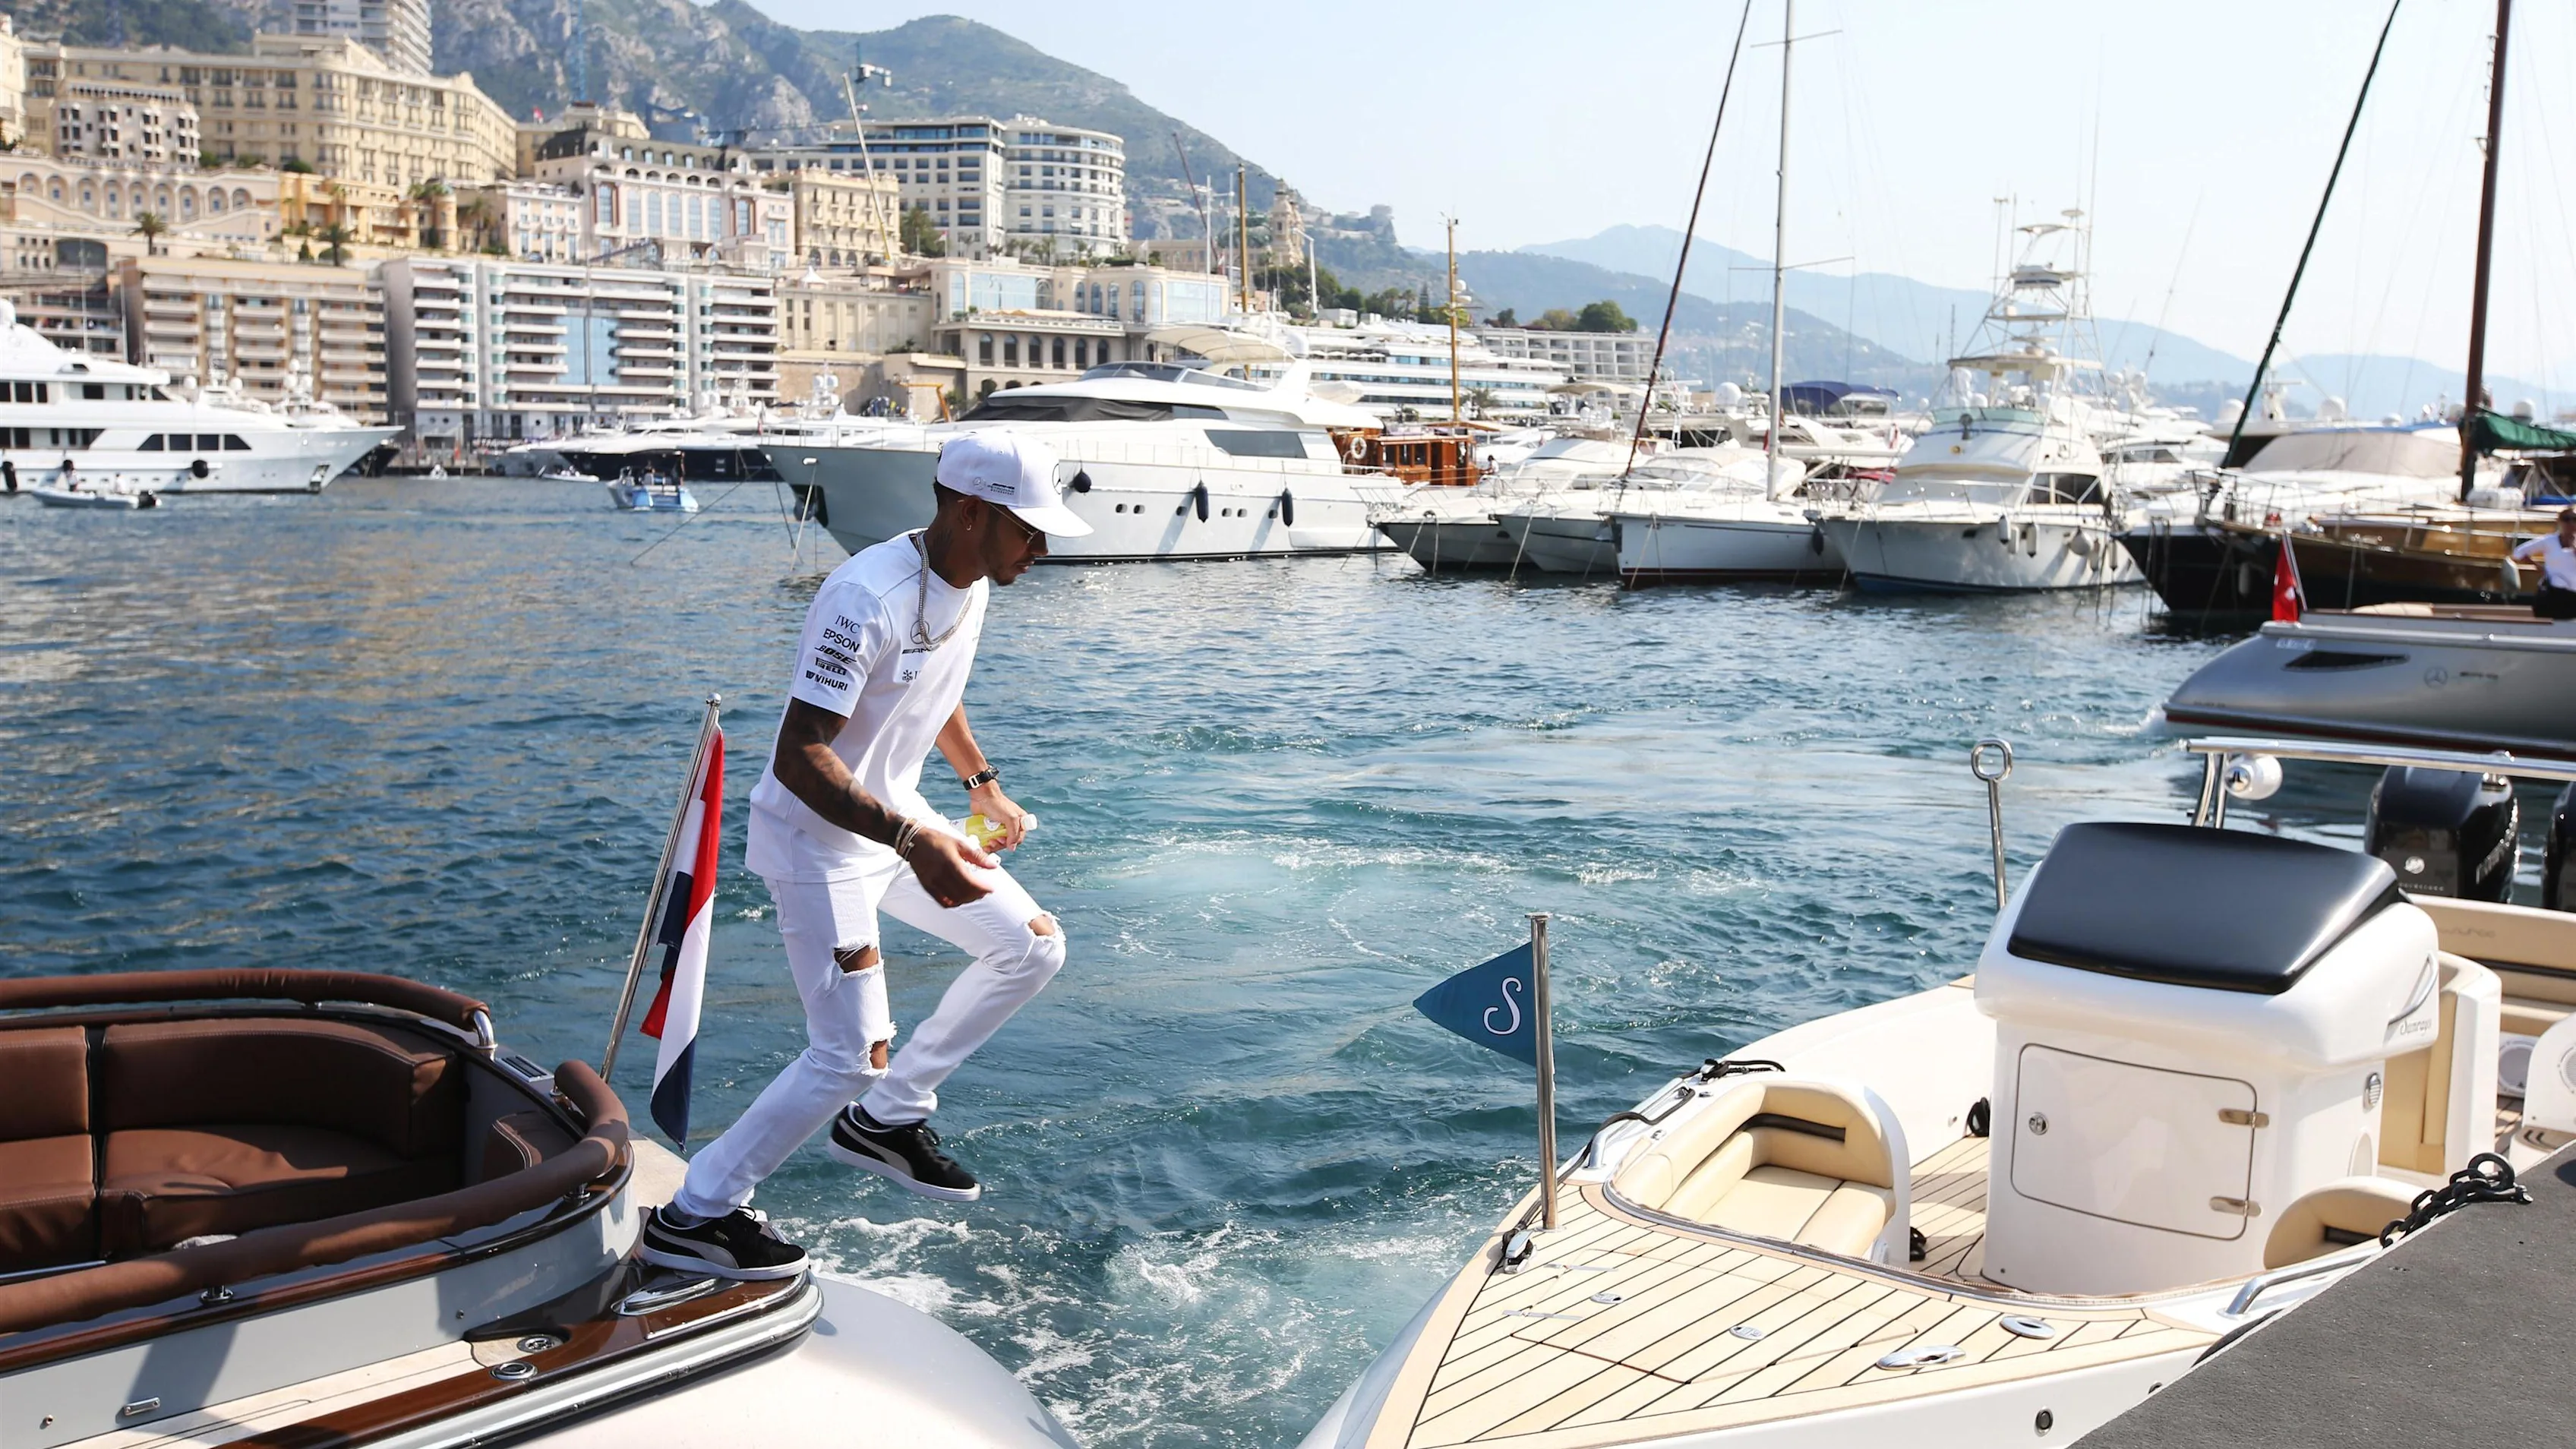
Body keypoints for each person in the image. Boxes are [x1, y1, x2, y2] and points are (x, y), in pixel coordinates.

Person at [639, 432, 1091, 1280]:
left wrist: (980, 783)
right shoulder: (861, 598)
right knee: (848, 1052)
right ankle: (696, 1214)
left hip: (897, 821)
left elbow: (936, 686)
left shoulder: (971, 581)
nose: (1041, 547)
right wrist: (914, 841)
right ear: (971, 512)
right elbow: (798, 753)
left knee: (1030, 945)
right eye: (1028, 530)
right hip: (817, 840)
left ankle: (888, 1118)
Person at [2514, 507, 2576, 620]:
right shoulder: (2549, 541)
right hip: (2553, 595)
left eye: (2574, 519)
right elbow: (2519, 552)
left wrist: (2573, 546)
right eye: (2566, 519)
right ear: (2560, 522)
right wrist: (2539, 567)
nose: (2571, 523)